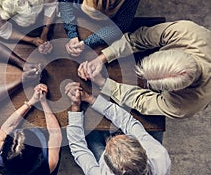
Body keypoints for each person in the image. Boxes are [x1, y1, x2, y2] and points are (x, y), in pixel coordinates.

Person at [78, 20, 211, 119]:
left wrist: (104, 83)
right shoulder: (185, 31)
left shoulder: (183, 107)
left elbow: (141, 101)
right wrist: (102, 58)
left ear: (175, 90)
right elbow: (140, 38)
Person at [65, 81, 171, 175]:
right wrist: (90, 99)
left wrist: (75, 106)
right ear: (143, 150)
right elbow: (129, 123)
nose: (112, 137)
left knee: (91, 133)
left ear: (111, 170)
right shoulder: (159, 156)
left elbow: (79, 148)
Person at [0, 84, 62, 175]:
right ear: (39, 156)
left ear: (2, 152)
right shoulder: (49, 164)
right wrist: (43, 102)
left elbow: (7, 128)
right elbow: (55, 133)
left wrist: (31, 101)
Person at [58, 0, 141, 56]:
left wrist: (87, 43)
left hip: (106, 27)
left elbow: (119, 26)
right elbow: (64, 1)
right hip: (77, 16)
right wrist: (72, 34)